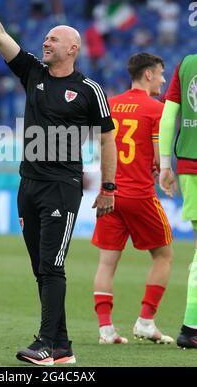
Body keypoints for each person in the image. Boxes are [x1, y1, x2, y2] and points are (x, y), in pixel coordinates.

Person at [0, 0, 117, 366]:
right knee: (41, 268)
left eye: (54, 38)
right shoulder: (32, 73)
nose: (45, 41)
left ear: (73, 48)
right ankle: (61, 348)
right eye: (45, 37)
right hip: (28, 185)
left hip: (62, 187)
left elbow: (107, 139)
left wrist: (108, 187)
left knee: (52, 264)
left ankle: (46, 343)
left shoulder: (88, 90)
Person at [91, 52, 174, 345]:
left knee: (106, 263)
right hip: (139, 194)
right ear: (148, 74)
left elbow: (102, 145)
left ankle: (106, 330)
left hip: (110, 194)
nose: (164, 80)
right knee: (164, 256)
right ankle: (146, 321)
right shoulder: (156, 109)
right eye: (162, 74)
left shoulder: (110, 104)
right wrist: (163, 170)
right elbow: (155, 154)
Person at [159, 55, 197, 349]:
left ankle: (191, 326)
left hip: (188, 166)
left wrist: (165, 165)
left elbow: (169, 115)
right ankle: (191, 326)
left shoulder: (186, 65)